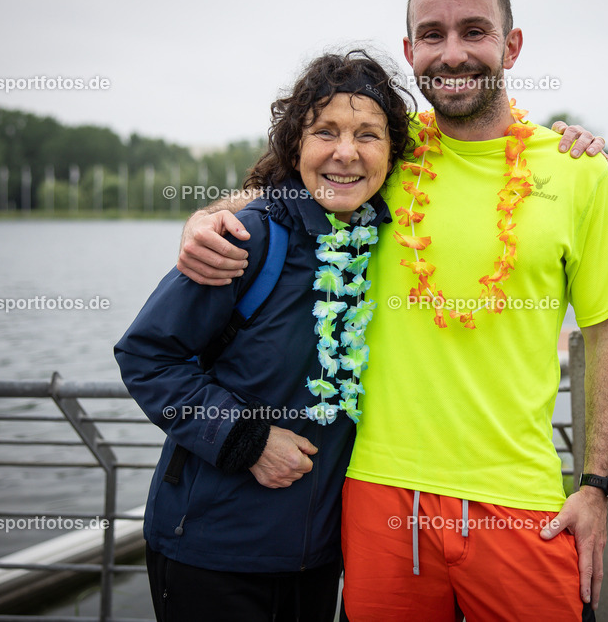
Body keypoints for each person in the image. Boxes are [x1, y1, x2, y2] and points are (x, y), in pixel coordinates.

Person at [178, 0, 608, 622]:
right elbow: (274, 195)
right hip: (378, 496)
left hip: (520, 499)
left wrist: (595, 485)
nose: (453, 52)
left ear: (511, 46)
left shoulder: (578, 172)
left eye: (474, 31)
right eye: (432, 34)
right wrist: (202, 218)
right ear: (410, 51)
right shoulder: (382, 152)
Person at [114, 49, 414, 621]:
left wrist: (571, 148)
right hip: (213, 551)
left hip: (321, 556)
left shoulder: (392, 241)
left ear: (392, 153)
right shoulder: (245, 237)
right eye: (325, 131)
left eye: (368, 135)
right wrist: (246, 440)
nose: (345, 152)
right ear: (295, 145)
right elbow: (147, 357)